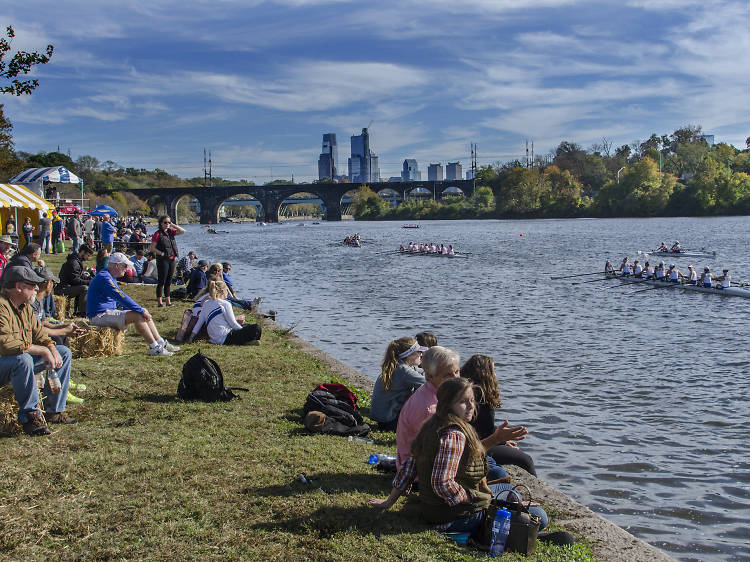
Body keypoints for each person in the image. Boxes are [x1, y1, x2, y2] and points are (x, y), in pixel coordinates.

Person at [370, 378, 548, 534]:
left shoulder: (432, 425)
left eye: (472, 400)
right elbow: (442, 482)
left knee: (509, 491)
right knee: (540, 516)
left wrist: (390, 500)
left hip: (434, 509)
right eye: (463, 402)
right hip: (453, 518)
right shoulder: (454, 435)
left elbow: (409, 466)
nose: (471, 406)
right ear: (448, 404)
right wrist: (470, 500)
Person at [0, 266, 76, 436]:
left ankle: (54, 411)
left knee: (63, 351)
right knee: (23, 359)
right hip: (5, 362)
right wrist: (42, 350)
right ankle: (30, 417)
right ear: (18, 287)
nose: (37, 288)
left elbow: (40, 334)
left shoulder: (25, 307)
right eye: (32, 284)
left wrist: (50, 347)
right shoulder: (1, 306)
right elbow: (5, 345)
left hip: (14, 362)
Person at [86, 252, 180, 357]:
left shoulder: (109, 276)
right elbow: (121, 296)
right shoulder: (105, 278)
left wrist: (141, 310)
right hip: (98, 316)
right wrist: (140, 311)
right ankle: (154, 348)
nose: (127, 269)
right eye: (125, 266)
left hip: (106, 312)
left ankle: (161, 342)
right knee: (138, 315)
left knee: (143, 311)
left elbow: (119, 300)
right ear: (117, 265)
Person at [461, 354, 537, 476]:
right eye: (493, 371)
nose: (495, 375)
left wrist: (503, 440)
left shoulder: (463, 392)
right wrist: (502, 440)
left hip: (471, 442)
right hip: (478, 446)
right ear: (486, 375)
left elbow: (481, 427)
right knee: (525, 460)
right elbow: (485, 432)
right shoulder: (481, 396)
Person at [370, 337, 427, 431]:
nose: (421, 354)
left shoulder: (398, 365)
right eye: (418, 352)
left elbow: (420, 372)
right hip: (390, 422)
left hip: (383, 419)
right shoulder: (404, 371)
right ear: (409, 355)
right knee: (426, 391)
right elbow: (432, 384)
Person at [188, 280, 261, 346]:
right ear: (223, 291)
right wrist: (243, 330)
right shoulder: (225, 304)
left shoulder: (206, 303)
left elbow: (199, 323)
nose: (227, 292)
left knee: (247, 326)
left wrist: (191, 338)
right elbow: (233, 324)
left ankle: (249, 341)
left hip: (214, 339)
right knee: (257, 328)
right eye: (227, 290)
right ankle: (248, 341)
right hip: (226, 338)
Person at [150, 215, 185, 307]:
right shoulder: (157, 234)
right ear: (161, 223)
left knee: (169, 281)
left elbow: (182, 231)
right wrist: (161, 253)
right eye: (165, 222)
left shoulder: (171, 232)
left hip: (172, 259)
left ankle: (168, 301)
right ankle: (159, 302)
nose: (167, 224)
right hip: (162, 260)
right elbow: (152, 248)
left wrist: (173, 224)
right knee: (162, 281)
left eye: (168, 222)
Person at [55, 244, 94, 317]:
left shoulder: (76, 261)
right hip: (62, 289)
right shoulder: (74, 263)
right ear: (82, 252)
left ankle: (78, 311)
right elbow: (74, 281)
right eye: (88, 255)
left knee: (83, 287)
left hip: (67, 286)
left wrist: (90, 279)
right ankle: (81, 313)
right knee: (84, 289)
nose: (88, 258)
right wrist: (89, 282)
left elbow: (78, 276)